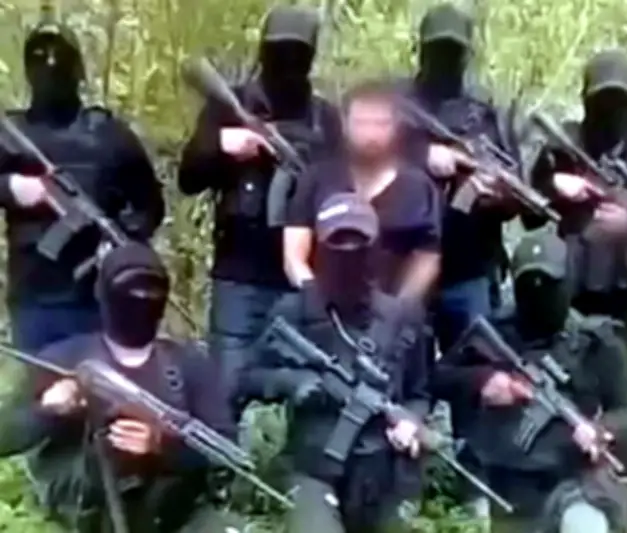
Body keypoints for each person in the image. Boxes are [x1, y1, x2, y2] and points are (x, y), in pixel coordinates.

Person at [0, 243, 244, 532]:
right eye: (130, 291)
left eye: (149, 292)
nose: (140, 302)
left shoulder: (187, 363)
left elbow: (224, 449)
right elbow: (6, 437)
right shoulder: (62, 359)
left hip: (172, 513)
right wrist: (48, 411)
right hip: (82, 512)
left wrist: (161, 446)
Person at [523, 49, 627, 482]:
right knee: (559, 383)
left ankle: (620, 477)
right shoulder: (564, 146)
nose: (610, 111)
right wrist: (555, 186)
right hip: (568, 286)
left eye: (618, 101)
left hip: (622, 288)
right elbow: (530, 213)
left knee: (620, 389)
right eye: (602, 101)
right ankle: (558, 470)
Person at [177, 5, 341, 411]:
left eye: (296, 54)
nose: (286, 64)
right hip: (239, 277)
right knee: (225, 395)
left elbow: (344, 193)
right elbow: (188, 178)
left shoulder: (326, 119)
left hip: (302, 278)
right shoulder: (230, 108)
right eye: (278, 52)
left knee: (307, 395)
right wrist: (221, 147)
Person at [244, 193, 432, 533]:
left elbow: (420, 392)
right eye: (338, 244)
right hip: (313, 469)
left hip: (384, 474)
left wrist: (411, 423)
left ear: (375, 250)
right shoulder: (294, 312)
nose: (348, 254)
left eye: (358, 245)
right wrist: (293, 382)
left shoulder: (401, 317)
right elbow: (247, 379)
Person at [400, 3, 521, 517]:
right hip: (407, 267)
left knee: (475, 377)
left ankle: (474, 486)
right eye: (439, 50)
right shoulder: (398, 106)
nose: (446, 60)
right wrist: (421, 159)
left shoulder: (485, 113)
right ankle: (404, 481)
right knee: (403, 377)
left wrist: (493, 193)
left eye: (454, 51)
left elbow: (519, 192)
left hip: (470, 268)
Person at [434, 227, 627, 533]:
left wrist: (599, 430)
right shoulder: (496, 332)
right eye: (529, 284)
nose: (539, 293)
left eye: (550, 284)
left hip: (574, 478)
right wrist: (483, 381)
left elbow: (625, 410)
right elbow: (439, 377)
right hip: (508, 481)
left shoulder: (596, 343)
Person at [0, 18, 164, 354]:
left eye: (58, 56)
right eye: (40, 56)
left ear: (77, 69)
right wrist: (12, 187)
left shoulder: (106, 134)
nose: (50, 64)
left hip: (94, 299)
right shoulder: (12, 133)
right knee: (36, 386)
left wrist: (120, 240)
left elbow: (150, 206)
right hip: (33, 297)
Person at [283, 79, 442, 305]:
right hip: (321, 308)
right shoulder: (316, 179)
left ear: (395, 126)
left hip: (393, 311)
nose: (371, 134)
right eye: (361, 123)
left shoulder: (418, 187)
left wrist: (400, 309)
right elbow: (293, 255)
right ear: (345, 124)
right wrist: (314, 299)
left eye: (381, 123)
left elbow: (427, 258)